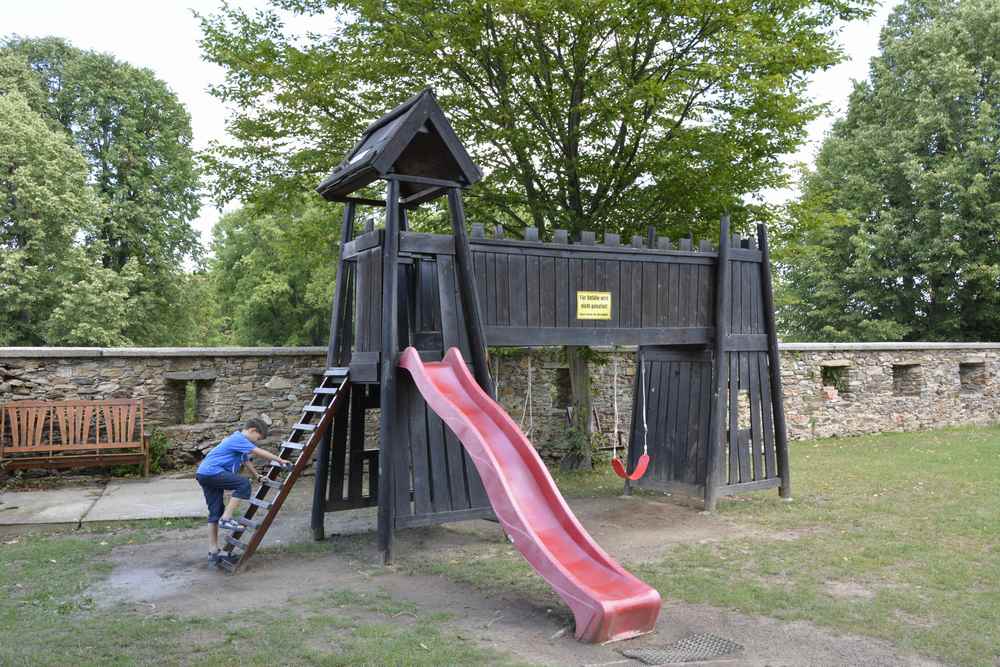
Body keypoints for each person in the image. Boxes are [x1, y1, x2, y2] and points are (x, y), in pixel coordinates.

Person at [195, 417, 291, 564]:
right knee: (243, 484)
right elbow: (257, 451)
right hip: (212, 472)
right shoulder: (237, 439)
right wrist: (280, 460)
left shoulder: (239, 442)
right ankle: (226, 519)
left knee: (215, 512)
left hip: (204, 474)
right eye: (257, 438)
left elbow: (245, 460)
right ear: (252, 430)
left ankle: (213, 551)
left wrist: (257, 476)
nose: (256, 441)